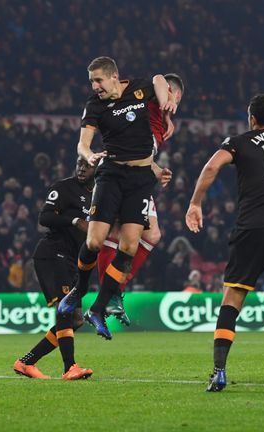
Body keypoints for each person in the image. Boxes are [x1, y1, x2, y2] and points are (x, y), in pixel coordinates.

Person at [185, 94, 264, 392]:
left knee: (233, 299)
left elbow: (213, 167)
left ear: (252, 117)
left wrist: (195, 203)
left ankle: (219, 371)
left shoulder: (239, 141)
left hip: (251, 228)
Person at [57, 56, 175, 340]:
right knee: (95, 241)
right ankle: (80, 290)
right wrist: (89, 155)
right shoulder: (95, 105)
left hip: (141, 179)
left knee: (130, 245)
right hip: (111, 175)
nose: (95, 86)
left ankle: (97, 309)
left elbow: (159, 78)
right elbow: (83, 143)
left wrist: (165, 107)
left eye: (98, 80)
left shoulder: (138, 89)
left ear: (114, 77)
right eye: (92, 82)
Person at [99, 73, 184, 325]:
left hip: (140, 171)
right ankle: (109, 293)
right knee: (116, 234)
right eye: (177, 98)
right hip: (125, 174)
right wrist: (169, 104)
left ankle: (113, 290)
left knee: (151, 235)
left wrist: (156, 170)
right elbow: (158, 78)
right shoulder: (156, 94)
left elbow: (141, 150)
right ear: (173, 93)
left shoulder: (154, 115)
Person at [13, 157, 95, 380]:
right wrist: (74, 220)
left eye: (87, 166)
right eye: (79, 163)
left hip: (72, 259)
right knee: (66, 310)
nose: (81, 168)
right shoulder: (63, 188)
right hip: (52, 254)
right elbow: (44, 217)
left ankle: (26, 362)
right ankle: (70, 367)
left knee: (76, 319)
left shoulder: (98, 195)